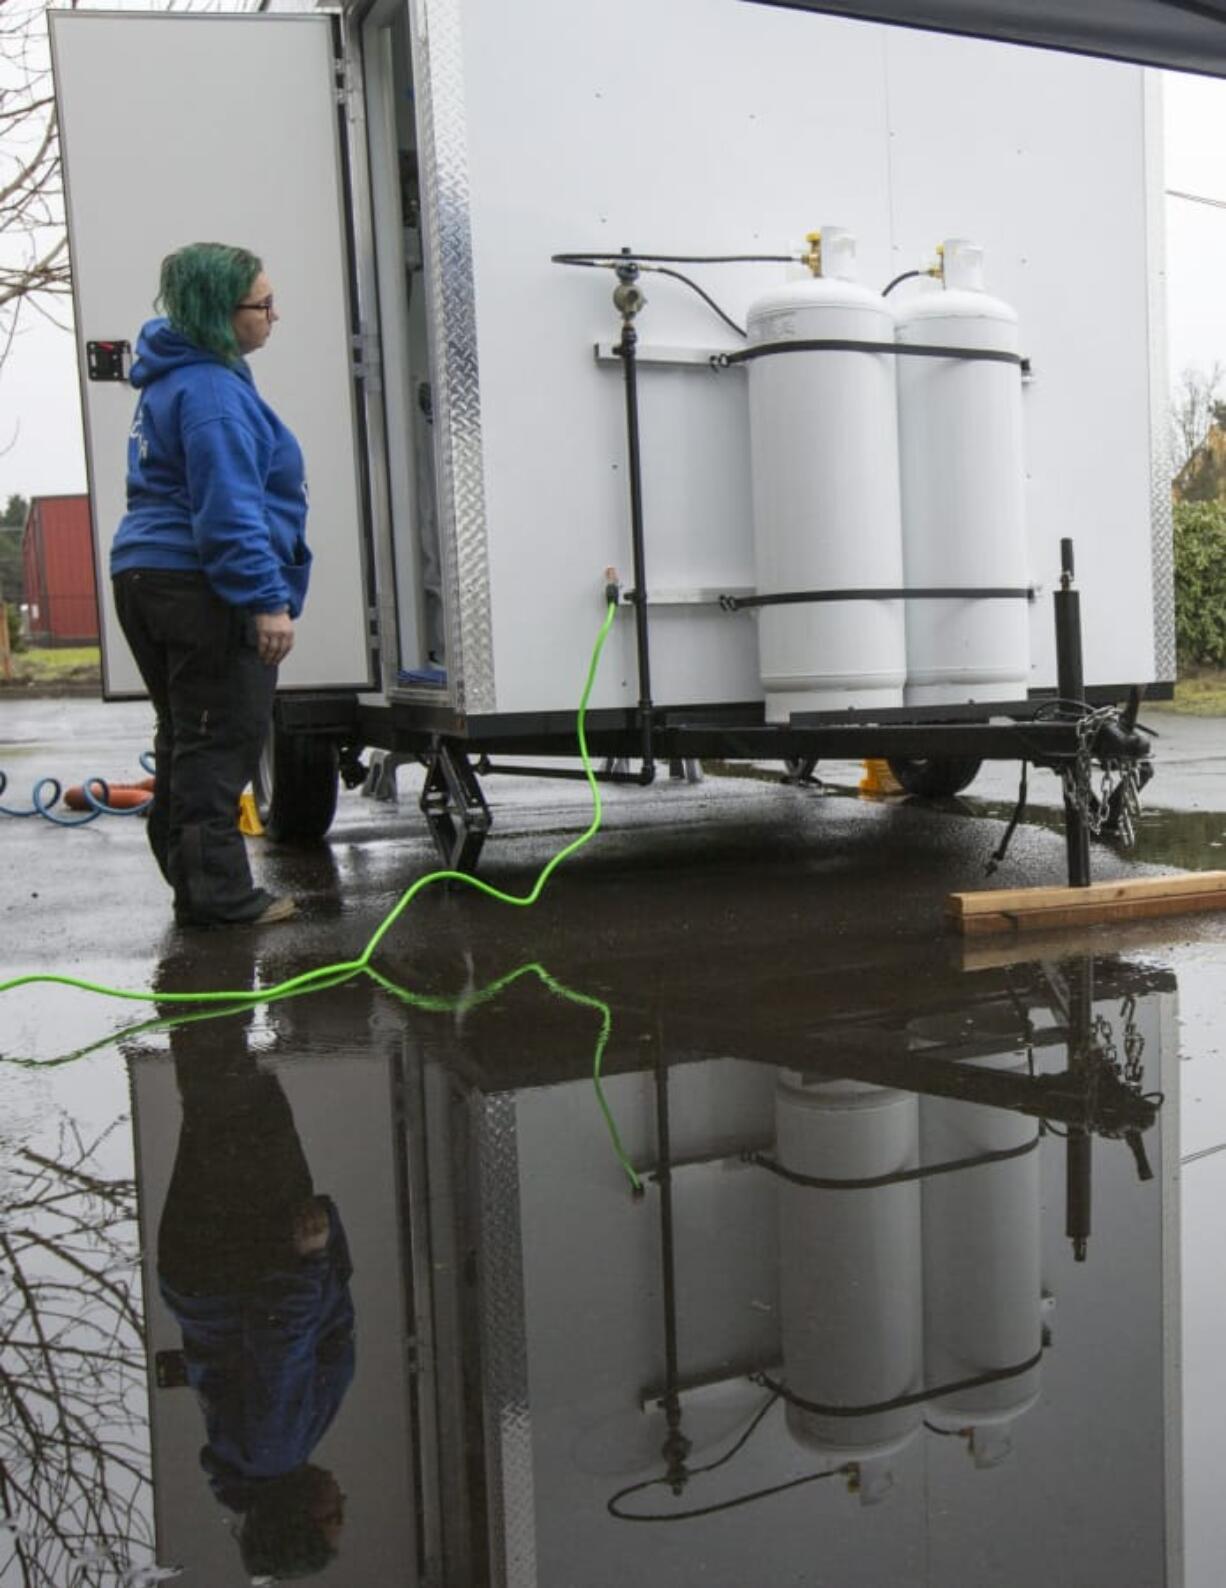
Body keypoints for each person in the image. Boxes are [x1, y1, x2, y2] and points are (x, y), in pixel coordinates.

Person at [111, 241, 311, 928]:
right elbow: (228, 513)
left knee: (186, 734)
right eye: (262, 303)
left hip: (145, 576)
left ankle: (189, 871)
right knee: (219, 738)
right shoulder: (213, 393)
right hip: (195, 586)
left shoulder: (173, 379)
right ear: (219, 312)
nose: (273, 315)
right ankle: (219, 897)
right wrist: (265, 599)